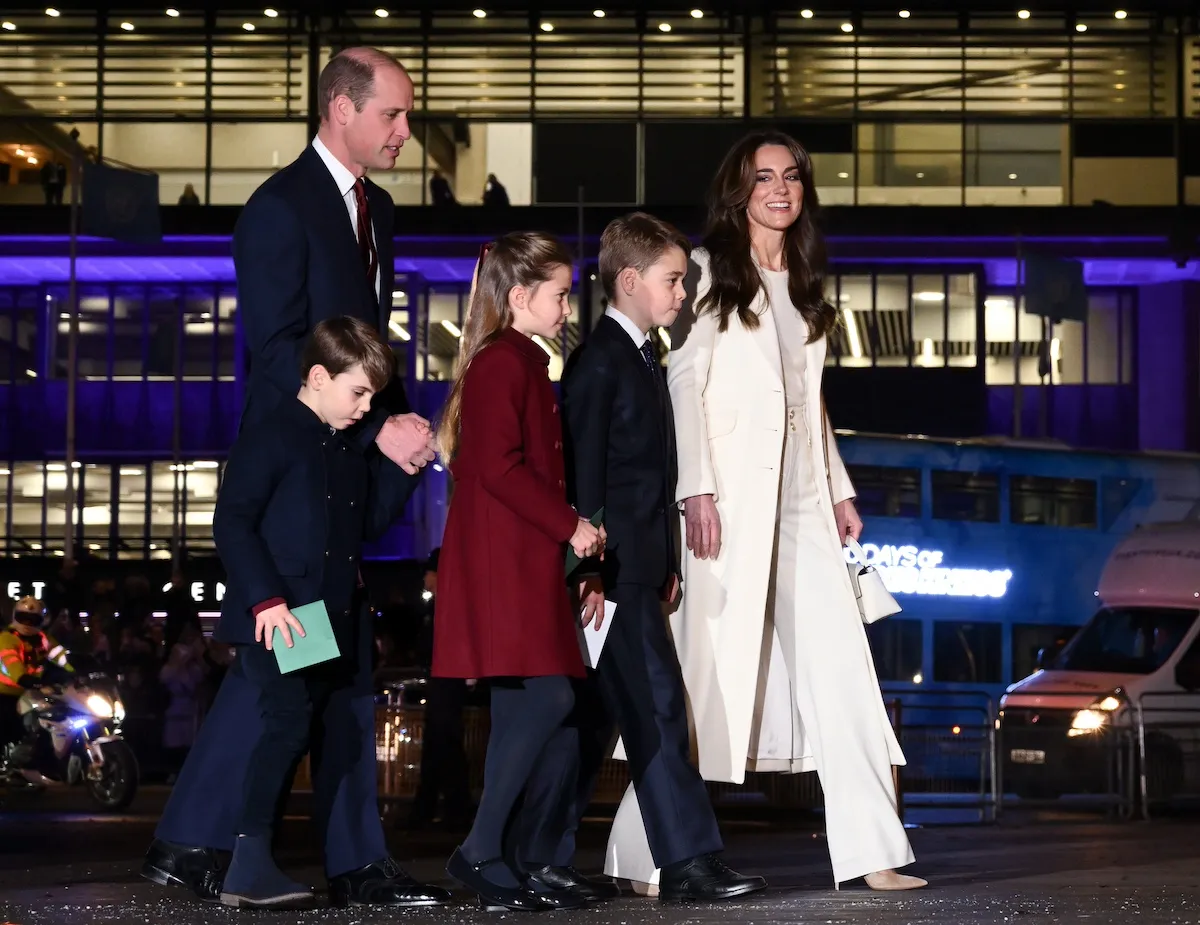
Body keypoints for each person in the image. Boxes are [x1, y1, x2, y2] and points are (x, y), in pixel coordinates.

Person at [142, 46, 447, 909]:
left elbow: (369, 345)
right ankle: (226, 843)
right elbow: (277, 351)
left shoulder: (377, 211)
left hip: (346, 465)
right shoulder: (277, 208)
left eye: (407, 115)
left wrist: (396, 415)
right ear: (340, 109)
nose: (404, 131)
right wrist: (367, 416)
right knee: (299, 670)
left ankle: (227, 843)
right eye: (392, 114)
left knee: (320, 671)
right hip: (298, 478)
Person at [656, 130, 924, 891]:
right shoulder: (707, 272)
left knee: (844, 667)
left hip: (804, 499)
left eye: (792, 177)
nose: (780, 189)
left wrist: (837, 486)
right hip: (729, 500)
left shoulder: (805, 280)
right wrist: (695, 486)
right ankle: (646, 853)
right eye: (764, 177)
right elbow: (684, 382)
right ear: (738, 192)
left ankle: (875, 850)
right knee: (701, 673)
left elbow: (813, 402)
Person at [527, 212, 768, 904]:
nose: (683, 293)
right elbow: (585, 477)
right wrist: (595, 570)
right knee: (658, 709)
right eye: (672, 280)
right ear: (629, 281)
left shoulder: (635, 355)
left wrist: (658, 562)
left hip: (631, 571)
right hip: (612, 575)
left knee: (593, 722)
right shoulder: (599, 362)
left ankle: (533, 854)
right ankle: (689, 860)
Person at [212, 318, 417, 908]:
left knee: (305, 729)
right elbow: (232, 521)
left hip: (320, 617)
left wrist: (408, 468)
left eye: (372, 397)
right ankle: (246, 865)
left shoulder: (343, 447)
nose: (366, 407)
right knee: (288, 725)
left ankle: (254, 863)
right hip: (286, 614)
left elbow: (369, 525)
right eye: (359, 393)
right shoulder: (274, 433)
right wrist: (267, 600)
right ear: (319, 377)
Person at [432, 232, 604, 912]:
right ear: (519, 296)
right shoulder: (506, 363)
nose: (567, 307)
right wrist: (572, 525)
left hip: (515, 555)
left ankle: (494, 853)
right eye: (560, 294)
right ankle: (480, 846)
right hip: (510, 560)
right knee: (552, 699)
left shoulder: (514, 360)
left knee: (523, 708)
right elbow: (499, 466)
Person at [405, 547, 473, 831]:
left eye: (429, 574)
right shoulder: (445, 606)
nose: (425, 581)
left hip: (446, 675)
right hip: (445, 675)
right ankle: (441, 806)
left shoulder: (447, 608)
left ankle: (444, 807)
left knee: (443, 740)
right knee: (441, 741)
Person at [0, 597, 74, 761]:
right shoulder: (7, 638)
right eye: (23, 617)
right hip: (7, 691)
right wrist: (24, 678)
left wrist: (78, 668)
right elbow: (13, 664)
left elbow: (60, 656)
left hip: (32, 689)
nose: (27, 622)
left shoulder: (43, 638)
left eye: (33, 619)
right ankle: (10, 762)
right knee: (7, 724)